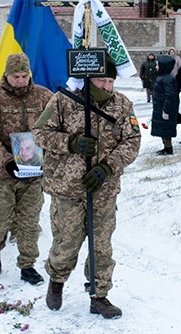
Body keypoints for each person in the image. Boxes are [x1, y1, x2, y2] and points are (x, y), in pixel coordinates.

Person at [33, 60, 141, 319]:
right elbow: (39, 132)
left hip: (103, 188)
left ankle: (99, 295)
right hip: (67, 187)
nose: (107, 86)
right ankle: (56, 281)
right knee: (67, 241)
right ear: (89, 80)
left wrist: (107, 168)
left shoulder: (122, 104)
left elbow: (132, 140)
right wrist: (71, 142)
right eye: (102, 81)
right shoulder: (63, 101)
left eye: (111, 82)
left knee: (101, 245)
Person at [0, 53, 54, 286]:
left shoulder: (43, 96)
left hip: (32, 173)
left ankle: (27, 265)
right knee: (0, 218)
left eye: (24, 76)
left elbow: (55, 126)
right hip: (2, 173)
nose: (20, 80)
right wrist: (7, 160)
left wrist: (47, 154)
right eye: (15, 76)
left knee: (29, 221)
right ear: (6, 75)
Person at [150, 54, 179, 154]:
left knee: (166, 129)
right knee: (162, 129)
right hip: (160, 107)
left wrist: (166, 110)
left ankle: (168, 148)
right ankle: (166, 147)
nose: (156, 66)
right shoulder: (162, 77)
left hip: (164, 108)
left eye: (158, 64)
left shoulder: (167, 79)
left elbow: (169, 96)